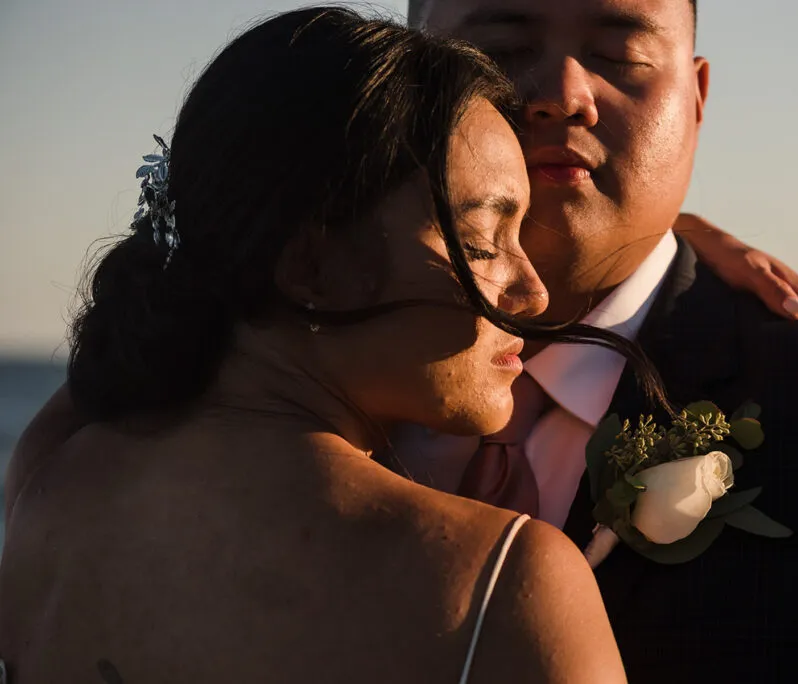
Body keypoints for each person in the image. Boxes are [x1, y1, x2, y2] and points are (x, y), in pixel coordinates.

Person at [0, 9, 639, 681]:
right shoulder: (503, 583)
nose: (532, 294)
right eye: (482, 242)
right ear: (311, 267)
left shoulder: (52, 475)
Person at [398, 0, 798, 681]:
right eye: (499, 46)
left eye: (621, 55)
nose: (563, 96)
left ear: (696, 100)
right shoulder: (283, 372)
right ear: (398, 81)